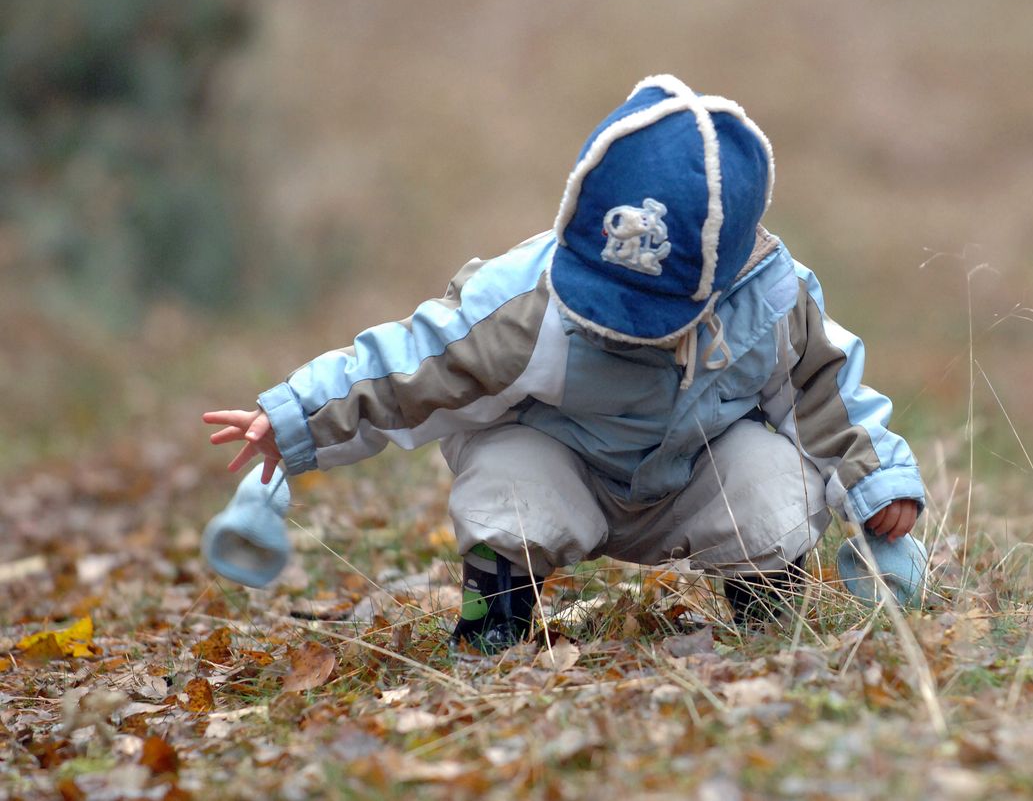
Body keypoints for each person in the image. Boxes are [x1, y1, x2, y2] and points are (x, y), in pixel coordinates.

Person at [202, 75, 927, 651]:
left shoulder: (770, 302)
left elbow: (825, 393)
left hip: (691, 481)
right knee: (507, 477)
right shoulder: (529, 302)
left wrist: (877, 485)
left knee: (774, 479)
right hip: (566, 468)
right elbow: (411, 365)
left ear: (723, 277)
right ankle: (495, 620)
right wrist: (296, 418)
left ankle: (767, 613)